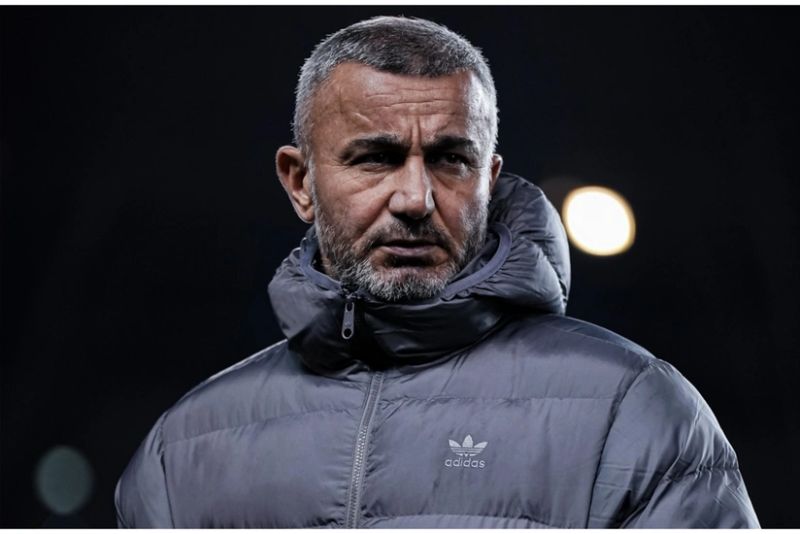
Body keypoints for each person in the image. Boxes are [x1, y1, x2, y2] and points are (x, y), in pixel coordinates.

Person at [115, 16, 759, 528]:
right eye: (376, 158)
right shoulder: (182, 453)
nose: (416, 199)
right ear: (300, 182)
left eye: (451, 160)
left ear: (489, 179)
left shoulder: (633, 413)